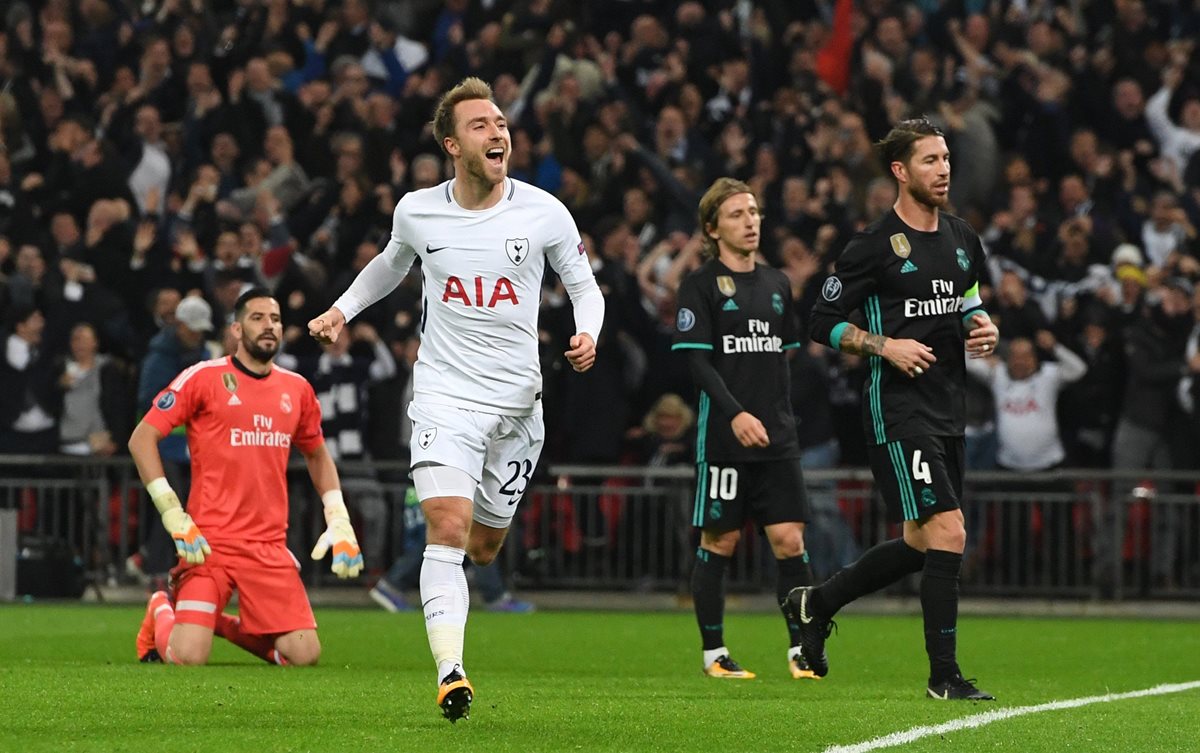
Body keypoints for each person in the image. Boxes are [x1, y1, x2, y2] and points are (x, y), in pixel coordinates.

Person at [307, 77, 603, 722]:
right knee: (445, 525)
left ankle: (456, 607)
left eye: (501, 123)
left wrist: (588, 332)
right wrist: (341, 310)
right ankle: (451, 673)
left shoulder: (545, 212)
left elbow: (585, 286)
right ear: (451, 144)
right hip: (443, 394)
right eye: (481, 125)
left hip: (519, 407)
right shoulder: (417, 210)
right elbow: (391, 263)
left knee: (483, 545)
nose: (498, 132)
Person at [788, 117, 1000, 701]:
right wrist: (884, 345)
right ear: (900, 171)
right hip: (896, 409)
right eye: (931, 160)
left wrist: (983, 328)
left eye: (947, 158)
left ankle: (817, 602)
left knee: (918, 543)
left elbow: (968, 302)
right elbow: (821, 323)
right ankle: (944, 677)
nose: (944, 169)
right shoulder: (874, 245)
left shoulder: (962, 238)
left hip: (947, 407)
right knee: (950, 531)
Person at [129, 287, 363, 667]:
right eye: (257, 318)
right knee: (188, 657)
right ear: (236, 330)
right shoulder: (203, 378)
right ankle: (161, 608)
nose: (268, 326)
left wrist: (338, 517)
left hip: (268, 546)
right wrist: (172, 512)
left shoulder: (297, 389)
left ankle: (211, 621)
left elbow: (317, 454)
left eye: (275, 319)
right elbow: (142, 438)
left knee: (304, 656)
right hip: (208, 542)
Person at [672, 177, 816, 680]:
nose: (750, 221)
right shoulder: (700, 286)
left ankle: (802, 650)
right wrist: (736, 412)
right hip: (725, 440)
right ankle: (714, 654)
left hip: (777, 438)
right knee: (720, 541)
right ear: (713, 228)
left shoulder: (778, 284)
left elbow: (786, 355)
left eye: (753, 211)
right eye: (736, 214)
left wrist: (773, 414)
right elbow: (698, 363)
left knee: (790, 541)